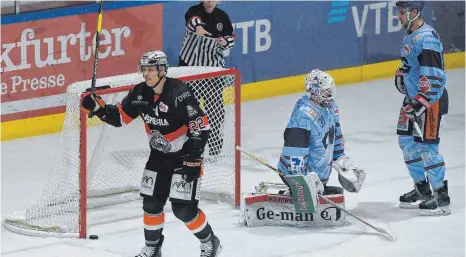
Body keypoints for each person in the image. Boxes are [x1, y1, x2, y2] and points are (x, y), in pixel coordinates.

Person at [81, 50, 222, 257]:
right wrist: (100, 109)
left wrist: (193, 158)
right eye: (144, 69)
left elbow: (201, 126)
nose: (146, 74)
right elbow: (120, 118)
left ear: (162, 70)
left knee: (183, 209)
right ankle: (153, 248)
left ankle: (210, 242)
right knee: (151, 204)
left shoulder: (179, 92)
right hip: (158, 158)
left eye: (151, 69)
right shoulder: (139, 93)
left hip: (184, 158)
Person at [394, 1, 450, 216]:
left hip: (429, 101)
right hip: (413, 100)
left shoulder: (426, 38)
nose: (398, 16)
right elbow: (415, 67)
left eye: (401, 12)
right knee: (407, 143)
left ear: (414, 12)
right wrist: (404, 75)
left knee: (427, 148)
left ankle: (441, 196)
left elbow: (435, 77)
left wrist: (419, 102)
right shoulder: (410, 34)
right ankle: (422, 189)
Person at [276, 69, 366, 200]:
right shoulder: (304, 116)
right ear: (314, 92)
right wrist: (302, 181)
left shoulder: (331, 108)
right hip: (297, 174)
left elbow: (336, 134)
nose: (330, 93)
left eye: (330, 89)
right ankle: (295, 193)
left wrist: (341, 159)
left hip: (319, 177)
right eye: (325, 90)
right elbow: (295, 151)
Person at [178, 0, 235, 156]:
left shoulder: (222, 17)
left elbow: (231, 39)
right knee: (187, 109)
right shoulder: (193, 11)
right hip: (190, 69)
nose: (210, 2)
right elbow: (193, 20)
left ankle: (215, 145)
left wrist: (225, 42)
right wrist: (198, 27)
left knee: (215, 109)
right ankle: (186, 143)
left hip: (212, 71)